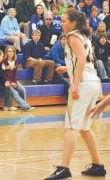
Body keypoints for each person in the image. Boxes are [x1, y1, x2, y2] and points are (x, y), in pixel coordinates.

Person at [44, 9, 107, 180]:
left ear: (73, 22)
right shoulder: (84, 35)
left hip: (84, 84)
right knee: (84, 128)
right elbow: (85, 59)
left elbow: (80, 58)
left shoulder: (72, 35)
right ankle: (98, 165)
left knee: (71, 126)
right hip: (93, 81)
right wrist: (68, 68)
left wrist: (75, 85)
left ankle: (64, 168)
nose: (62, 23)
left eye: (64, 20)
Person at [2, 46, 34, 112]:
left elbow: (15, 74)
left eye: (12, 51)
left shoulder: (15, 61)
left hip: (13, 81)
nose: (11, 53)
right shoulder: (3, 61)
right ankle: (26, 106)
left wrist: (15, 82)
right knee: (15, 93)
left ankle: (24, 105)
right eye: (9, 51)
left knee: (22, 89)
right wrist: (11, 83)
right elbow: (3, 75)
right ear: (6, 52)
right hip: (6, 82)